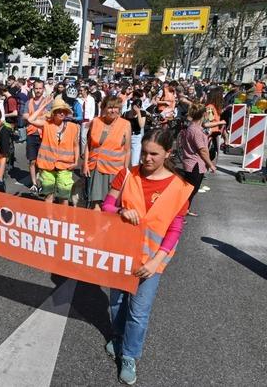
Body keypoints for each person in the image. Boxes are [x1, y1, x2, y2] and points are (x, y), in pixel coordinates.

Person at [101, 129, 193, 385]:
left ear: (168, 153)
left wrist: (156, 261)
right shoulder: (128, 173)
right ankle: (118, 337)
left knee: (139, 311)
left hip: (152, 260)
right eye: (144, 153)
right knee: (117, 302)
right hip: (121, 253)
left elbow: (175, 229)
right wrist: (119, 211)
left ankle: (129, 355)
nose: (147, 159)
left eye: (154, 154)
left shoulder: (180, 187)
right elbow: (106, 206)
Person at [28, 97, 80, 205]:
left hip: (65, 165)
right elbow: (30, 120)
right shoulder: (47, 124)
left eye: (64, 111)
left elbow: (76, 145)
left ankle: (63, 220)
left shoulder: (73, 127)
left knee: (64, 197)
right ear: (54, 113)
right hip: (47, 166)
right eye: (58, 111)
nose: (62, 113)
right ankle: (48, 219)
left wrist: (76, 162)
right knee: (49, 196)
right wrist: (43, 105)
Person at [83, 95, 132, 210]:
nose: (113, 110)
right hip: (95, 168)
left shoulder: (125, 124)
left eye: (116, 107)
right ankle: (94, 226)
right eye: (110, 107)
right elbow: (88, 145)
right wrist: (85, 164)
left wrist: (125, 171)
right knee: (95, 204)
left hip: (114, 170)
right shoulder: (96, 121)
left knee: (110, 205)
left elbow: (127, 150)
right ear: (104, 108)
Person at [178, 103, 217, 216]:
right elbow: (203, 150)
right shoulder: (196, 130)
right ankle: (180, 213)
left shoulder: (193, 127)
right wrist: (211, 164)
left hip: (191, 162)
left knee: (191, 190)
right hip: (195, 163)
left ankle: (185, 210)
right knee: (190, 191)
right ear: (204, 114)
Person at [24, 80, 50, 193]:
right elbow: (25, 116)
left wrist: (32, 118)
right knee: (32, 161)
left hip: (44, 135)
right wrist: (38, 119)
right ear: (33, 89)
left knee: (43, 161)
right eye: (36, 88)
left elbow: (48, 118)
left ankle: (43, 182)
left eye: (40, 88)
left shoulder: (48, 102)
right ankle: (34, 183)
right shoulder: (28, 103)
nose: (38, 90)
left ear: (43, 89)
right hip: (31, 134)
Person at [123, 95, 146, 166]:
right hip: (126, 137)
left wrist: (138, 112)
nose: (135, 110)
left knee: (134, 162)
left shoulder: (142, 113)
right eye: (134, 107)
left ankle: (133, 175)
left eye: (138, 107)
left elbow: (141, 125)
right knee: (124, 160)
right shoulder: (126, 113)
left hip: (136, 138)